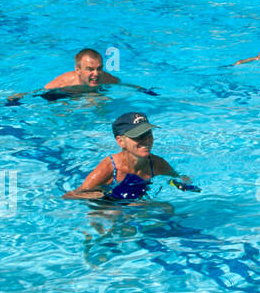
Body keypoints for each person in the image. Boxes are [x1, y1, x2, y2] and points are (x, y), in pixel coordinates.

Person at [63, 112, 194, 201]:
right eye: (138, 136)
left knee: (166, 209)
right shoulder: (110, 166)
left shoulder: (156, 163)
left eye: (148, 134)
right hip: (107, 205)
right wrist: (107, 195)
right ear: (120, 141)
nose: (146, 140)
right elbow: (72, 195)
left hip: (138, 203)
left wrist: (179, 184)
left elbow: (180, 179)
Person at [45, 48, 120, 90]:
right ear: (78, 70)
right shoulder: (64, 83)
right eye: (90, 69)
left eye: (99, 68)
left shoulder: (107, 79)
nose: (96, 74)